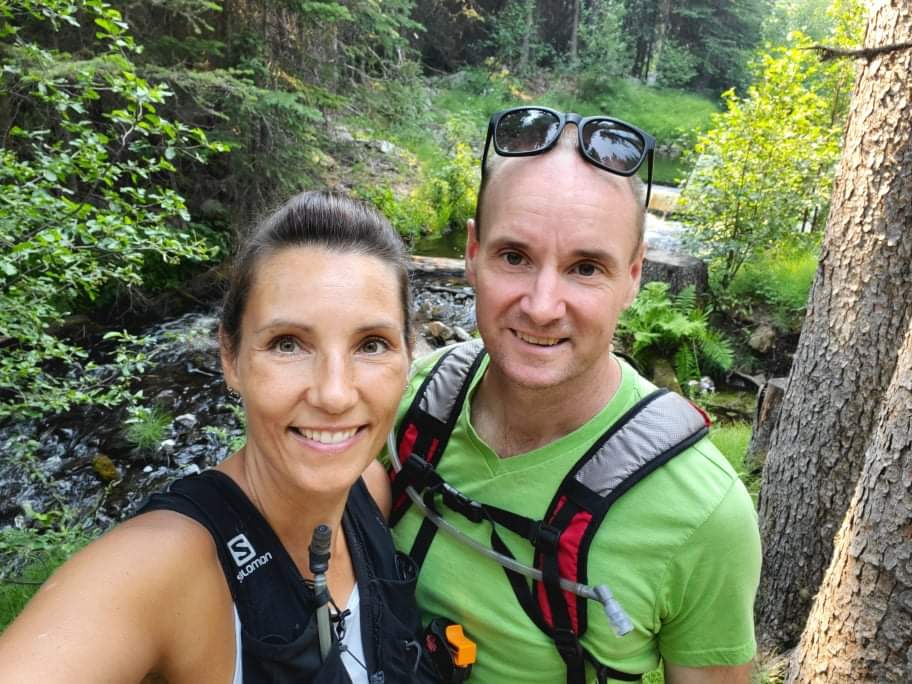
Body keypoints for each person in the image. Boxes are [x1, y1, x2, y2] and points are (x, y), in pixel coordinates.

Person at [387, 107, 762, 683]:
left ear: (634, 276)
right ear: (471, 252)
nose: (541, 305)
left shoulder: (703, 513)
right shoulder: (414, 398)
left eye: (585, 268)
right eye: (515, 257)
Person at [0, 191, 439, 683]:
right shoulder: (164, 568)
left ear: (407, 355)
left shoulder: (371, 490)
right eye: (288, 344)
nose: (334, 395)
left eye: (371, 344)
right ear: (230, 358)